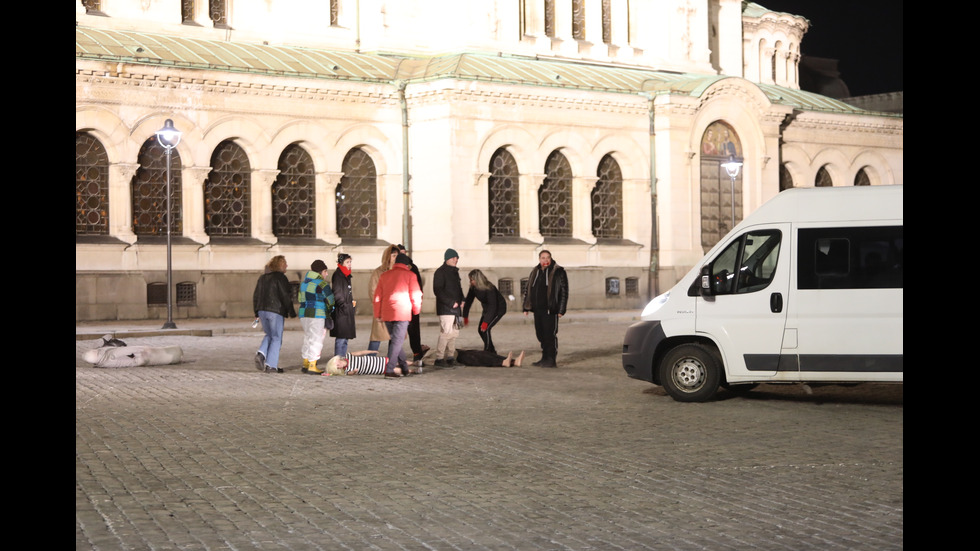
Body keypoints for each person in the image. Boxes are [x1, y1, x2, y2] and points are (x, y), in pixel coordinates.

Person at [373, 252, 423, 377]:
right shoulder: (410, 275)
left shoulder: (385, 275)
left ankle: (404, 368)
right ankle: (389, 370)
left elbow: (377, 297)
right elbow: (416, 294)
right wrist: (416, 310)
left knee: (396, 340)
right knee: (397, 341)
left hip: (387, 313)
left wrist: (378, 313)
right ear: (406, 264)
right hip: (402, 312)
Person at [521, 250, 568, 368]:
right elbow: (528, 289)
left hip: (550, 309)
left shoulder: (558, 271)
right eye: (543, 258)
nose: (545, 260)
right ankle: (544, 358)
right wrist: (526, 307)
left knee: (549, 335)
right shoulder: (535, 271)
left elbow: (564, 291)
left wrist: (561, 309)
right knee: (540, 334)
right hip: (537, 309)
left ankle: (551, 359)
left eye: (548, 258)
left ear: (551, 259)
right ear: (539, 259)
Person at [252, 255, 297, 373]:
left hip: (262, 310)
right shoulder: (281, 278)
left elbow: (256, 295)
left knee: (269, 334)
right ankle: (271, 365)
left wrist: (256, 311)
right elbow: (285, 296)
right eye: (285, 263)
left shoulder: (262, 278)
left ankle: (261, 354)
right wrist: (291, 311)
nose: (287, 265)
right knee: (276, 337)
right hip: (275, 311)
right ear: (280, 265)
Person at [298, 259, 335, 375]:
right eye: (325, 271)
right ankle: (312, 365)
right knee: (316, 339)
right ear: (321, 272)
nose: (327, 274)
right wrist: (330, 310)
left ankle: (306, 362)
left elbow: (300, 299)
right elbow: (331, 300)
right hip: (317, 314)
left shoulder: (304, 283)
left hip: (304, 314)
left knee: (308, 337)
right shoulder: (322, 284)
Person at [397, 244, 430, 364]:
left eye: (404, 252)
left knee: (414, 331)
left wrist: (416, 303)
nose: (403, 255)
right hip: (399, 306)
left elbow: (418, 287)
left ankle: (417, 353)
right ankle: (395, 355)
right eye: (400, 253)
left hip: (411, 305)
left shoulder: (412, 268)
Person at [462, 269, 507, 354]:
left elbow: (493, 305)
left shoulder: (489, 288)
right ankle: (491, 350)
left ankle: (487, 351)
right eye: (470, 280)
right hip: (487, 309)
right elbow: (468, 301)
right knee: (480, 329)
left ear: (478, 279)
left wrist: (486, 322)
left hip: (498, 309)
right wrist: (465, 316)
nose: (471, 282)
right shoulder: (473, 288)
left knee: (486, 329)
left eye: (472, 280)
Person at [432, 248, 464, 368]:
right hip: (446, 308)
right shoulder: (440, 272)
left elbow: (458, 289)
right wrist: (451, 303)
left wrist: (463, 300)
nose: (456, 260)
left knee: (454, 334)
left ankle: (450, 357)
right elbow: (438, 290)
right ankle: (439, 358)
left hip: (456, 309)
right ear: (447, 259)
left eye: (457, 258)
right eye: (453, 258)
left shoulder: (455, 272)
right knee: (446, 333)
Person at [368, 245, 399, 352]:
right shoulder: (378, 272)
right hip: (382, 309)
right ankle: (370, 362)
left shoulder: (399, 271)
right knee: (376, 337)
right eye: (393, 255)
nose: (395, 258)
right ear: (388, 257)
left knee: (395, 338)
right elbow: (373, 291)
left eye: (397, 256)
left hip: (396, 310)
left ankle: (392, 361)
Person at [330, 253, 356, 359]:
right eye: (347, 262)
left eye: (350, 262)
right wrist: (345, 305)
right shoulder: (338, 275)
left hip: (346, 310)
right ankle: (337, 361)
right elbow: (337, 293)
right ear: (341, 263)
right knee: (341, 337)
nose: (350, 264)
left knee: (345, 338)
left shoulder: (345, 274)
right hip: (341, 311)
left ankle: (341, 359)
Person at [322, 350, 392, 376]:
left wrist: (370, 351)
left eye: (337, 365)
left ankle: (403, 366)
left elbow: (360, 353)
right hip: (375, 369)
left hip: (376, 361)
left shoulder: (348, 355)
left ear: (337, 360)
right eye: (337, 368)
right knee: (394, 370)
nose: (339, 366)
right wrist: (354, 371)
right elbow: (351, 373)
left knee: (393, 361)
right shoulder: (346, 371)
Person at [454, 349, 525, 368]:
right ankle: (502, 363)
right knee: (475, 357)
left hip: (453, 351)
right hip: (451, 356)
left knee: (481, 353)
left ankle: (513, 361)